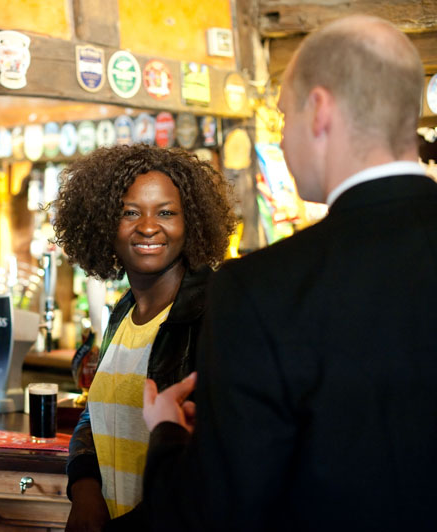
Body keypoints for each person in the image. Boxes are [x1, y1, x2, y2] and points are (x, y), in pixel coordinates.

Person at [142, 15, 437, 531]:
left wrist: (166, 434)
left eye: (282, 117)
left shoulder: (258, 291)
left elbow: (212, 515)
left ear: (319, 110)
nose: (278, 141)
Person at [53, 144, 236, 530]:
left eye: (166, 212)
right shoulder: (124, 311)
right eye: (130, 212)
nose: (149, 226)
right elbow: (96, 411)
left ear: (193, 223)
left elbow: (215, 459)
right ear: (105, 224)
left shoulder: (216, 314)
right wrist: (85, 489)